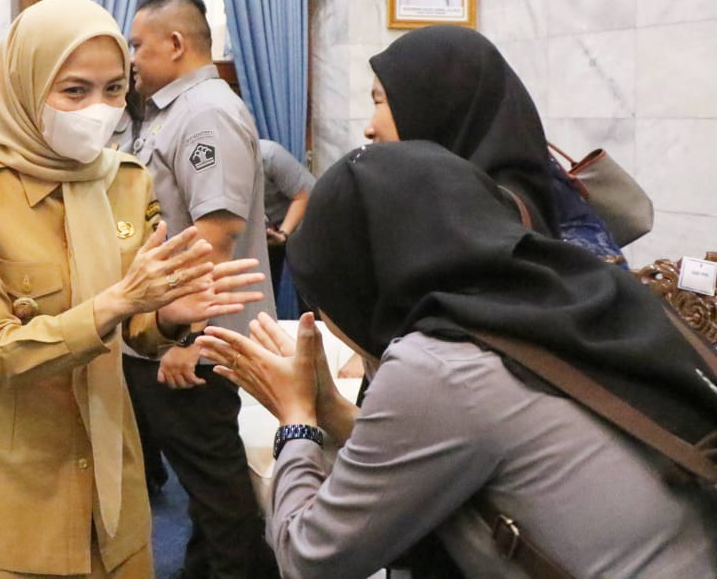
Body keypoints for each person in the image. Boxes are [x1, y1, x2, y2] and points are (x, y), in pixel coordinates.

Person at [201, 141, 717, 578]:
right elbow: (444, 446)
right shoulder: (572, 288)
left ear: (354, 279)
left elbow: (310, 560)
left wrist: (295, 421)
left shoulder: (437, 364)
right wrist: (329, 406)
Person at [0, 0, 265, 578]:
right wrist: (121, 299)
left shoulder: (126, 182)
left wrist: (167, 318)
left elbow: (136, 329)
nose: (99, 110)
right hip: (14, 484)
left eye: (114, 90)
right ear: (24, 87)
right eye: (74, 91)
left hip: (113, 477)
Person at [122, 0, 278, 579]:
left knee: (218, 491)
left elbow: (216, 234)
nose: (132, 58)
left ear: (175, 43)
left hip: (195, 341)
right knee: (204, 487)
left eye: (138, 45)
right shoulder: (170, 111)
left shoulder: (206, 111)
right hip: (165, 330)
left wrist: (188, 338)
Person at [366, 24, 626, 263]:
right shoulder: (501, 186)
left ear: (433, 108)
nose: (369, 128)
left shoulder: (478, 218)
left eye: (379, 102)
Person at [258, 139, 314, 318]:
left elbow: (303, 197)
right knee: (264, 290)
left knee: (310, 294)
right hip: (270, 231)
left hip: (306, 223)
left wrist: (283, 233)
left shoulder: (270, 155)